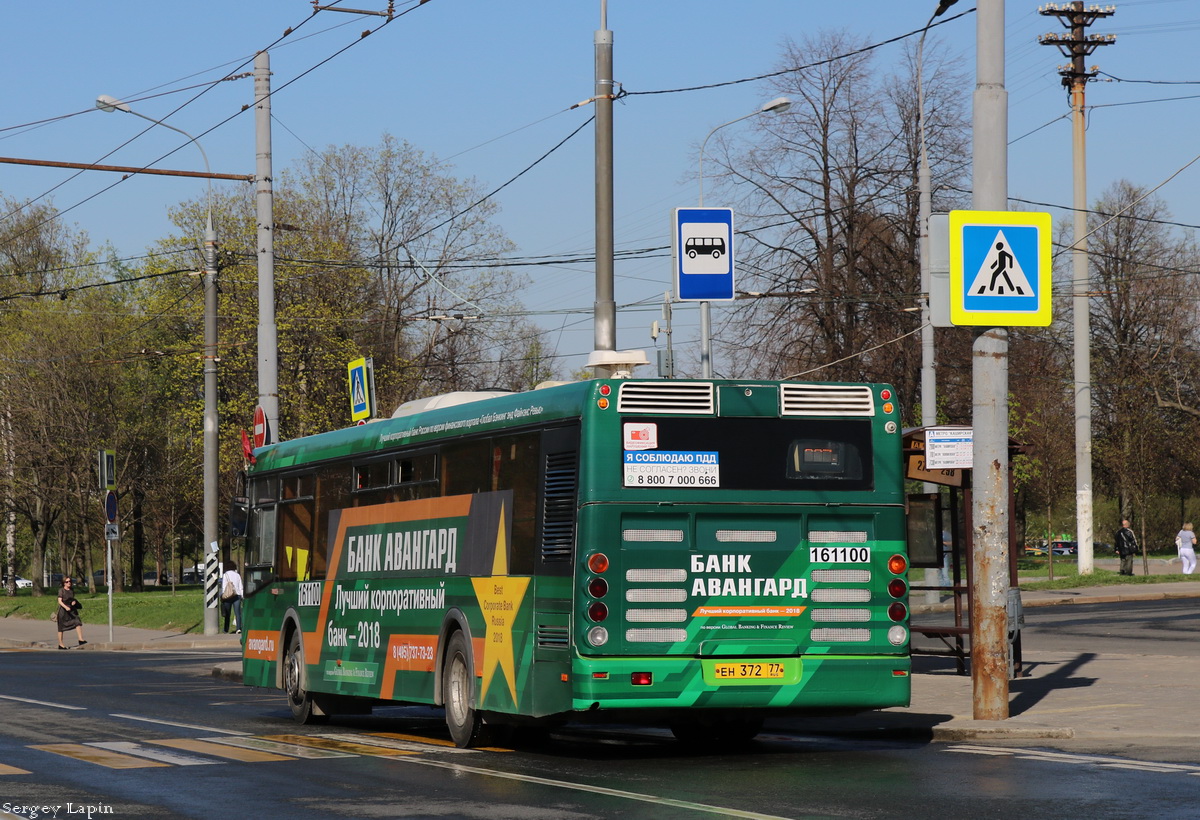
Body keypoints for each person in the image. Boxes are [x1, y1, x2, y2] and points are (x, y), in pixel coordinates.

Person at [55, 576, 87, 649]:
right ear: (64, 583)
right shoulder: (61, 590)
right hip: (63, 611)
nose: (69, 583)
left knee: (77, 621)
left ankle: (80, 639)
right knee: (61, 628)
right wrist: (66, 607)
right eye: (67, 582)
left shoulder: (71, 590)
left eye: (70, 581)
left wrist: (74, 602)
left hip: (71, 610)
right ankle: (60, 644)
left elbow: (72, 599)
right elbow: (59, 601)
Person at [220, 559, 244, 634]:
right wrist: (242, 596)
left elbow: (224, 587)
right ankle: (238, 628)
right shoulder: (237, 575)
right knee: (238, 613)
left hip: (228, 596)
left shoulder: (225, 575)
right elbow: (241, 587)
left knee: (227, 614)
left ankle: (226, 629)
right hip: (237, 596)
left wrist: (223, 595)